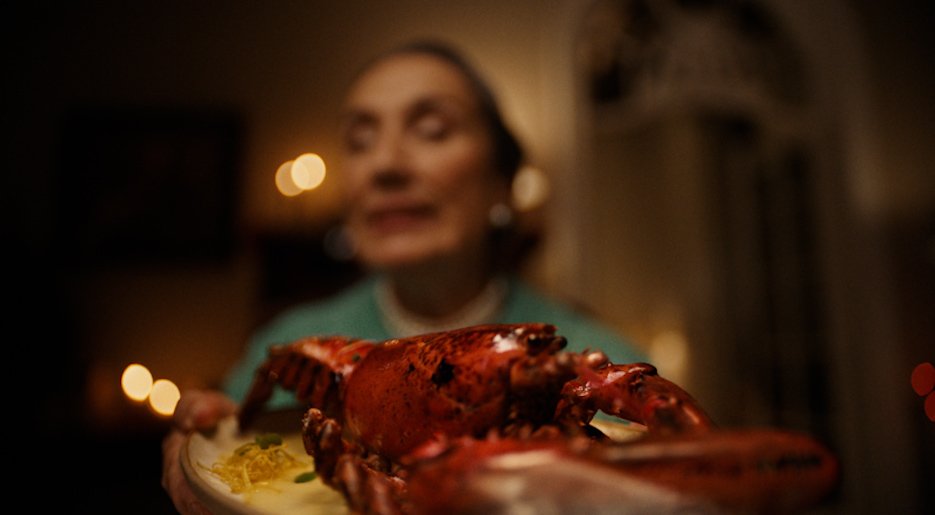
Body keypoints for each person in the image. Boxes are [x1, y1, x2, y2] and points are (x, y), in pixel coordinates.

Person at [162, 40, 645, 513]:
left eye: (432, 130)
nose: (386, 165)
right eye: (359, 141)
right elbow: (221, 454)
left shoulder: (604, 362)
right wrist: (196, 452)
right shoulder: (285, 341)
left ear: (501, 183)